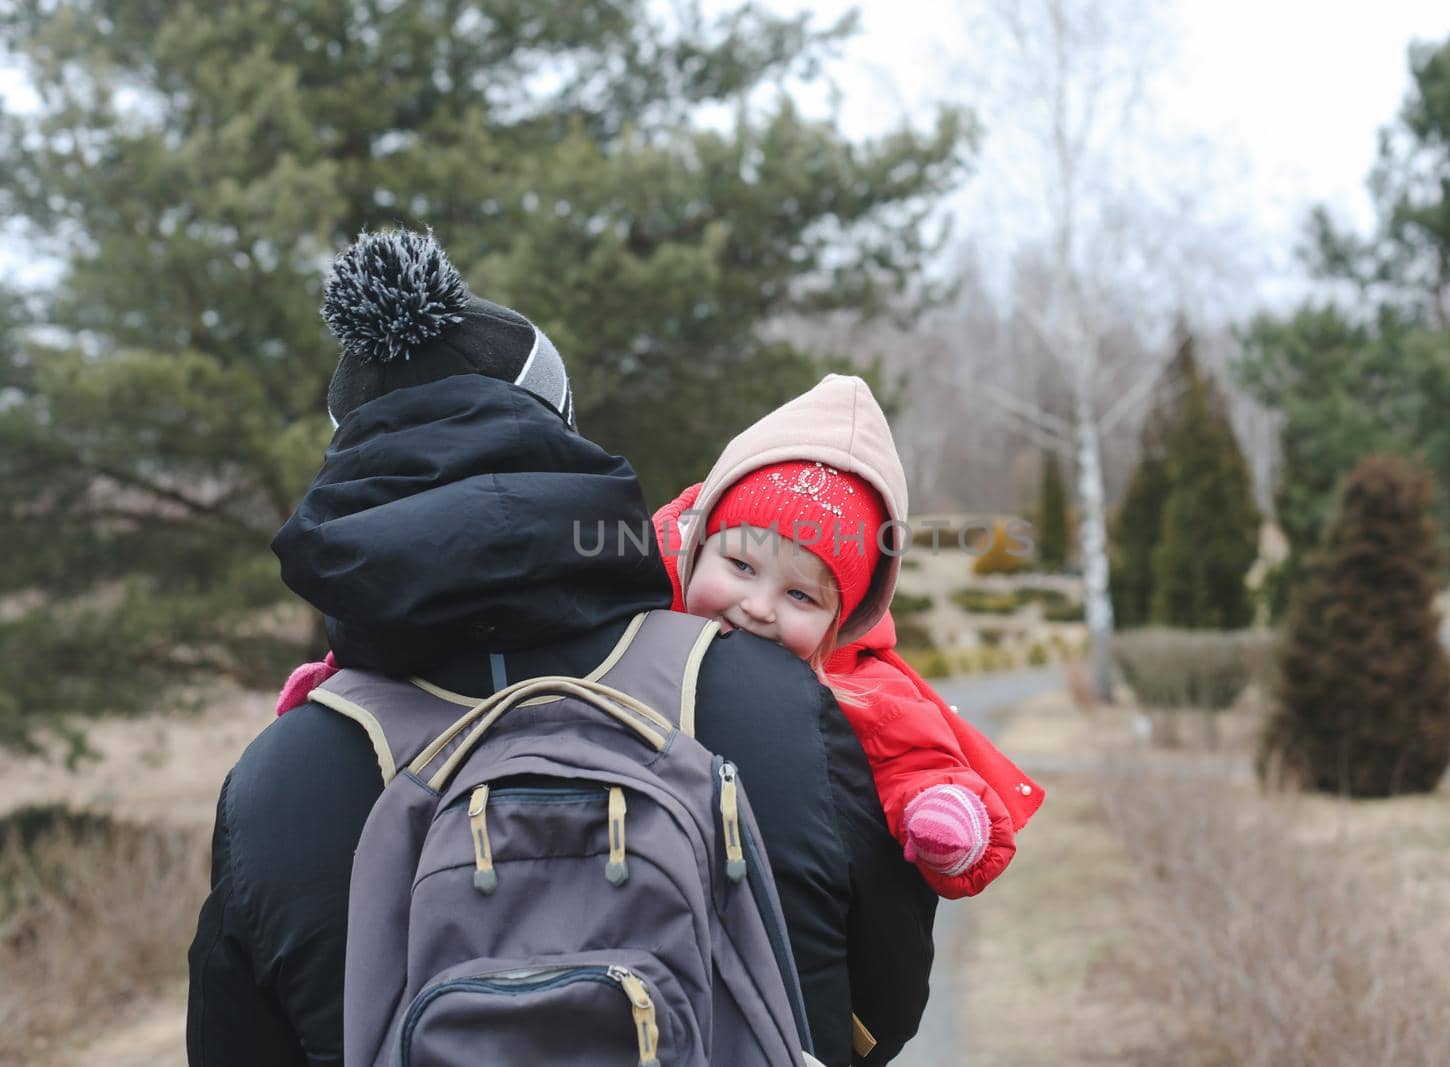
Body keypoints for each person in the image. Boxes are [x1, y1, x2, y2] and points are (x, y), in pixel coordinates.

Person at [186, 230, 935, 1067]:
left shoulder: (279, 779)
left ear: (346, 467)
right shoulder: (764, 692)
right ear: (561, 428)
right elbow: (886, 1002)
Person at [653, 375, 1045, 899]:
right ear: (698, 550)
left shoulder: (856, 682)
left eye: (801, 597)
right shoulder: (640, 616)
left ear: (843, 622)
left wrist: (940, 811)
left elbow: (915, 757)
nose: (757, 607)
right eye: (741, 565)